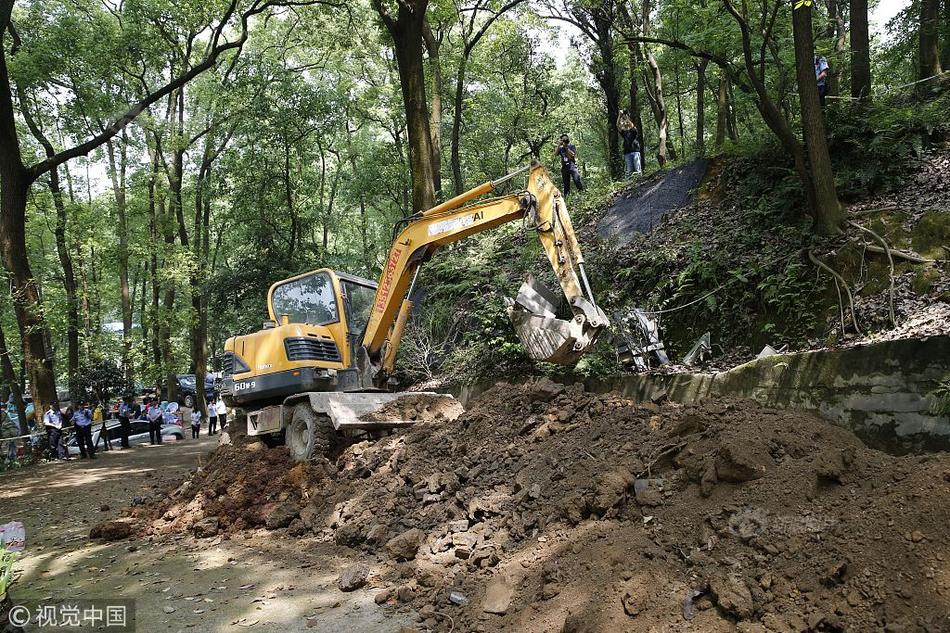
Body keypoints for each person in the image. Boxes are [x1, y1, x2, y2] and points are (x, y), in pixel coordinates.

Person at [617, 110, 642, 177]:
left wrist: (626, 118)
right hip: (627, 153)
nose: (625, 122)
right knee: (629, 171)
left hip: (635, 151)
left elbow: (631, 125)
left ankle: (641, 181)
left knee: (638, 170)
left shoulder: (633, 130)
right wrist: (619, 115)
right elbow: (618, 126)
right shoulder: (624, 133)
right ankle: (631, 183)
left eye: (626, 121)